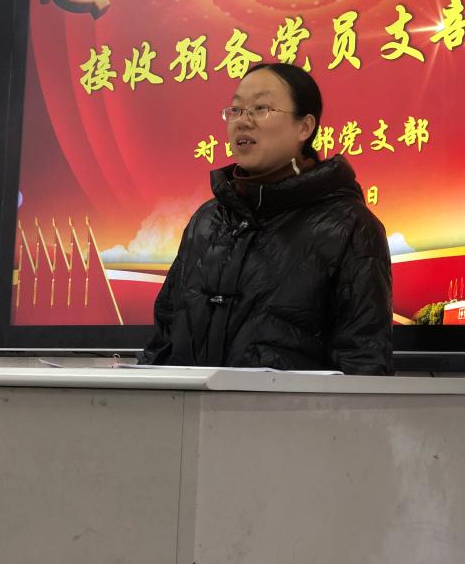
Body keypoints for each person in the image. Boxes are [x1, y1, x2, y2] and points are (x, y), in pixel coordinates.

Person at [139, 63, 394, 374]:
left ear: (304, 127)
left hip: (288, 407)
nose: (243, 121)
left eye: (261, 109)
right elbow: (162, 342)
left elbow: (363, 364)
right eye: (235, 110)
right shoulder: (206, 221)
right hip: (189, 405)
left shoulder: (349, 226)